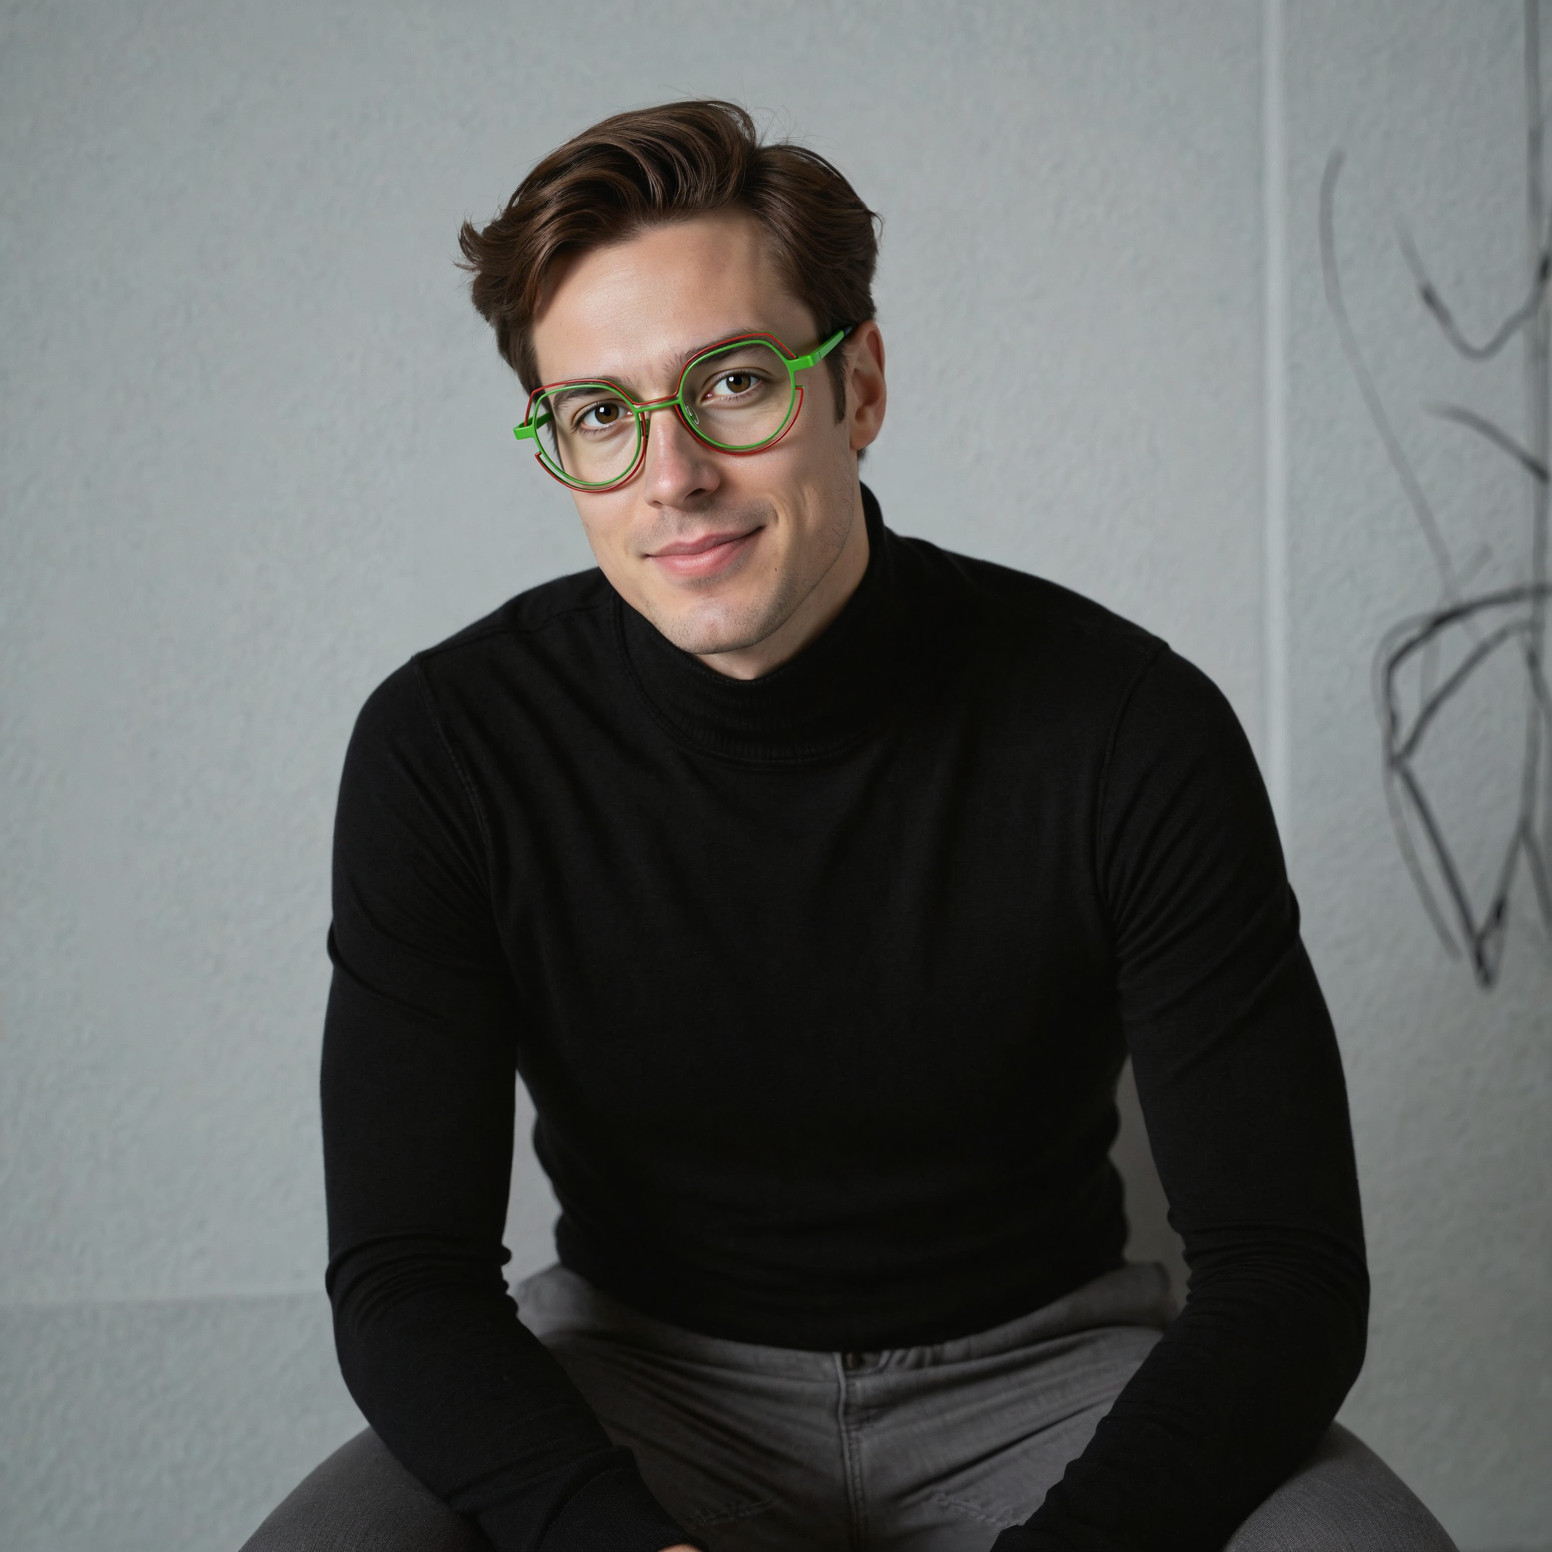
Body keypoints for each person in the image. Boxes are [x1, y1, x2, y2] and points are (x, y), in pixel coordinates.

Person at [242, 101, 1457, 1552]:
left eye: (734, 383)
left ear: (858, 386)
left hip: (1053, 1381)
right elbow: (404, 1279)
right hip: (635, 1385)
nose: (673, 476)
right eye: (601, 416)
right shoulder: (449, 747)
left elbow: (1286, 1272)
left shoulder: (1127, 725)